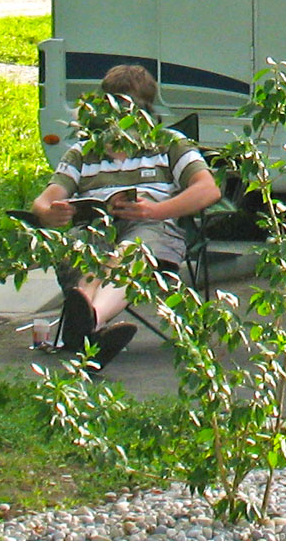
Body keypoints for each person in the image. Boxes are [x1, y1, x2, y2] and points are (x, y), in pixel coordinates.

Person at [25, 62, 221, 370]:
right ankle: (93, 331)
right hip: (93, 229)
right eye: (111, 106)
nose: (117, 116)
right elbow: (43, 202)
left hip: (151, 228)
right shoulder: (83, 151)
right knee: (82, 250)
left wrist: (156, 210)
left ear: (143, 110)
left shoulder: (168, 143)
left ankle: (87, 325)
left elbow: (208, 190)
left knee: (134, 251)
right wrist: (51, 215)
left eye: (125, 107)